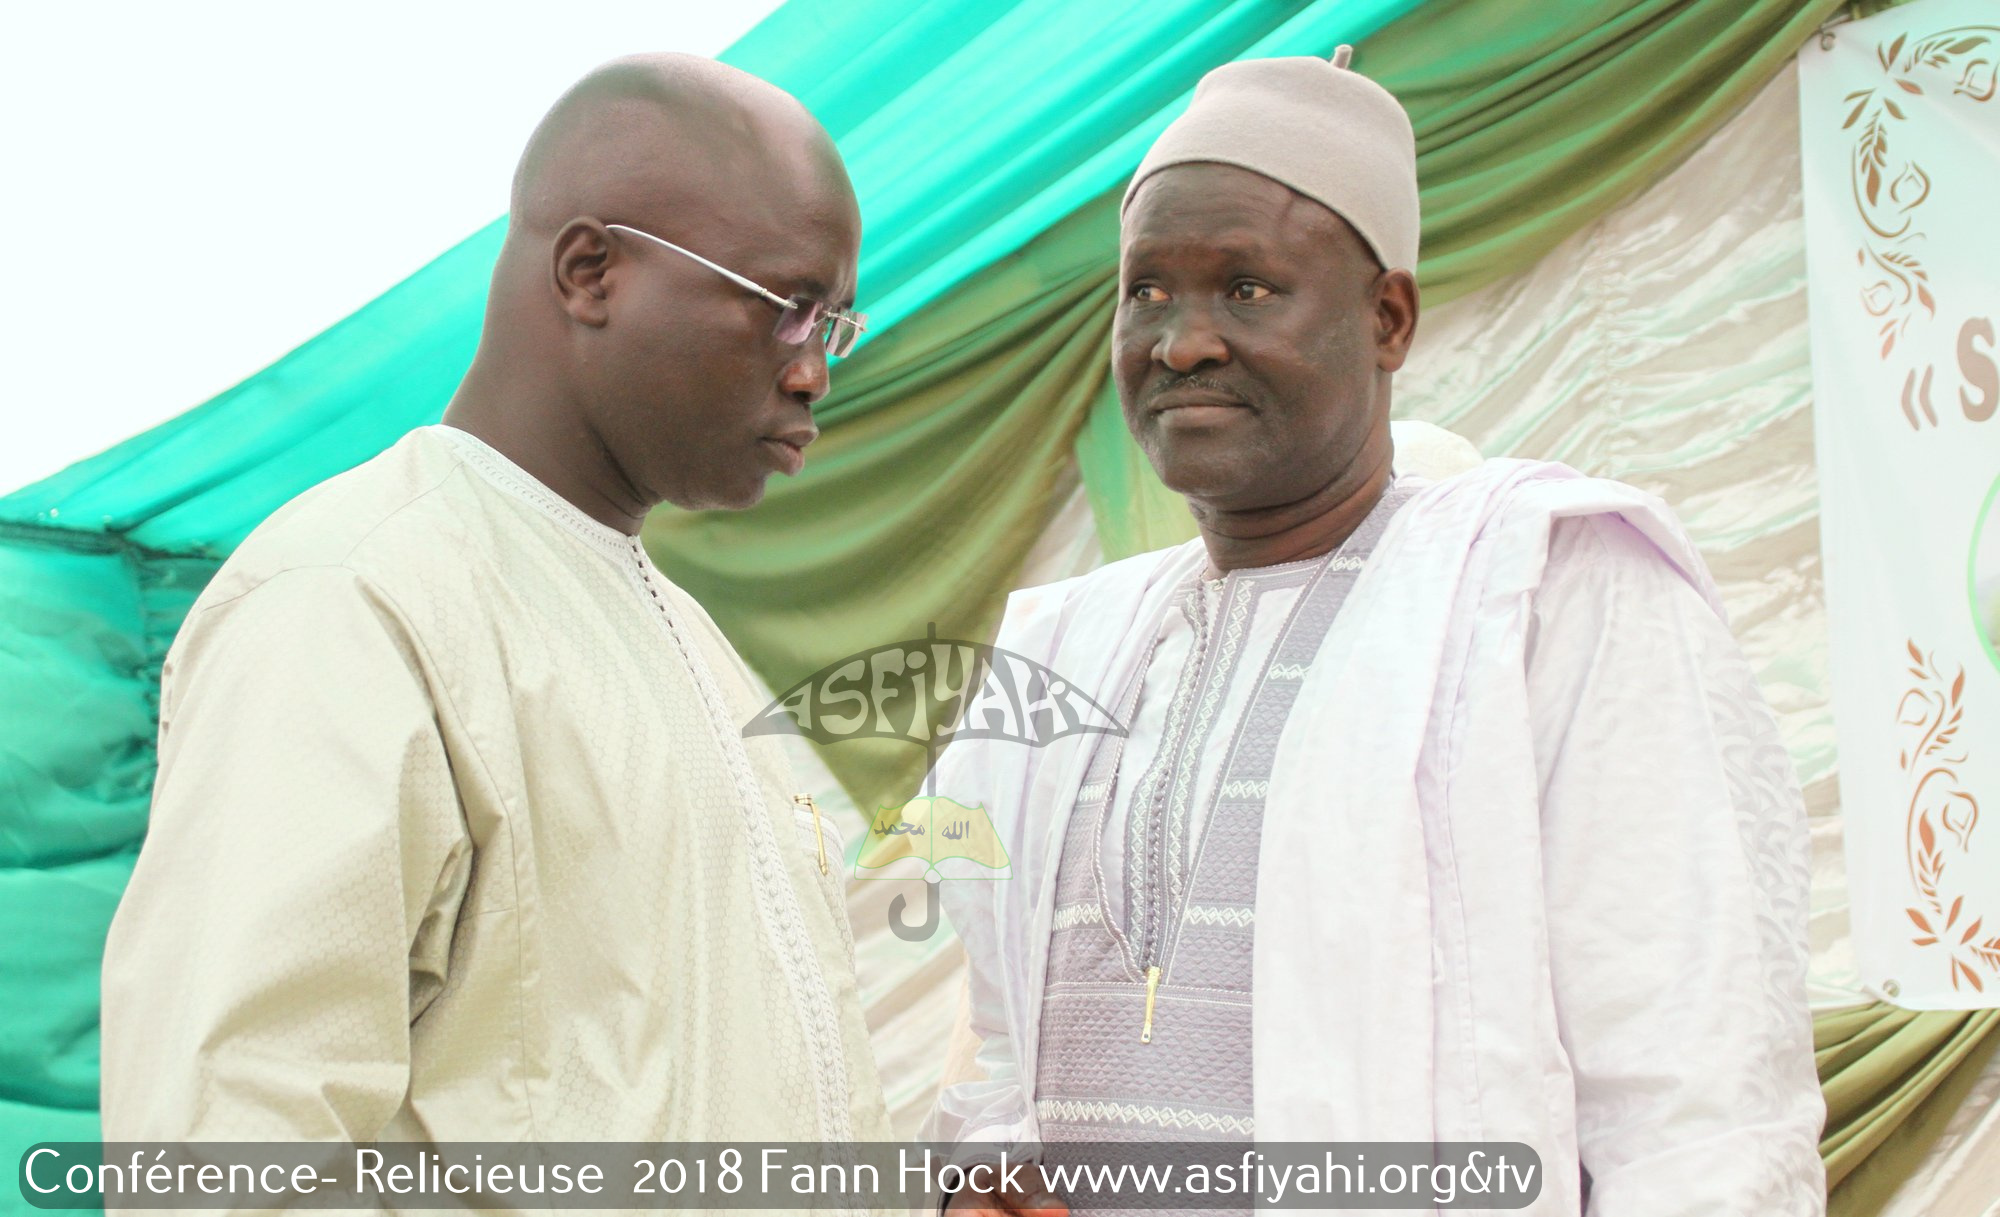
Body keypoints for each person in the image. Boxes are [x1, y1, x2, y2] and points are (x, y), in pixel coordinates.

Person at [928, 48, 1825, 1215]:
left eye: (1245, 288)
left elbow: (1698, 1113)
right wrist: (976, 1178)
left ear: (1386, 317)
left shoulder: (1545, 587)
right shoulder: (1060, 650)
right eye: (1146, 290)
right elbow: (998, 1059)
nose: (1180, 341)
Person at [99, 53, 892, 1146]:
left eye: (834, 327)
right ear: (589, 271)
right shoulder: (353, 600)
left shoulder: (692, 646)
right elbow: (238, 1144)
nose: (813, 374)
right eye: (790, 310)